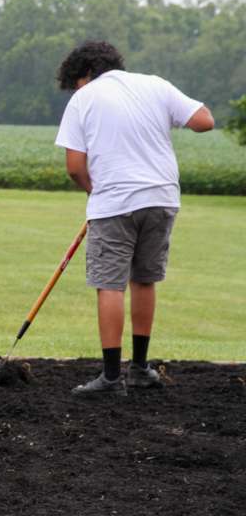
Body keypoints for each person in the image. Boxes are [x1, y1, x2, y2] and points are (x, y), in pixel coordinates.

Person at [54, 40, 214, 397]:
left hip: (114, 202)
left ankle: (111, 379)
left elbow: (74, 168)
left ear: (85, 74)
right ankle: (140, 369)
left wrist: (94, 192)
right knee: (144, 280)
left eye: (76, 82)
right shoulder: (155, 84)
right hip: (162, 197)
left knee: (110, 284)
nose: (77, 89)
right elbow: (205, 120)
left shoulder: (84, 98)